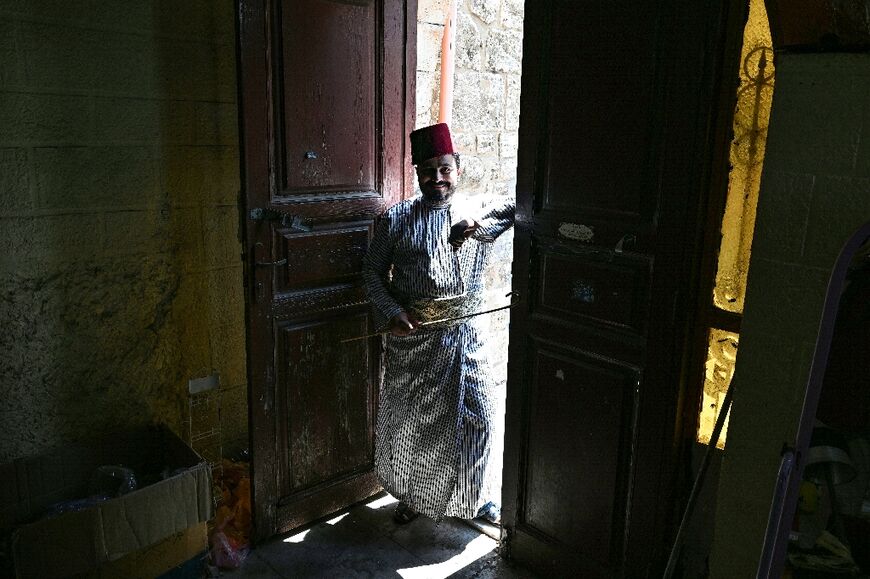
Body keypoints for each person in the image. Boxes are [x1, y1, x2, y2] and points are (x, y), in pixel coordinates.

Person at [362, 123, 515, 524]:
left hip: (467, 340)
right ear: (416, 173)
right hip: (416, 343)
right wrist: (393, 313)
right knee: (414, 426)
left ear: (457, 168)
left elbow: (520, 207)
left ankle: (474, 499)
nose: (438, 179)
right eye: (428, 170)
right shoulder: (397, 219)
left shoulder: (478, 213)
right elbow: (372, 274)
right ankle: (414, 498)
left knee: (478, 418)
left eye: (445, 168)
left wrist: (476, 225)